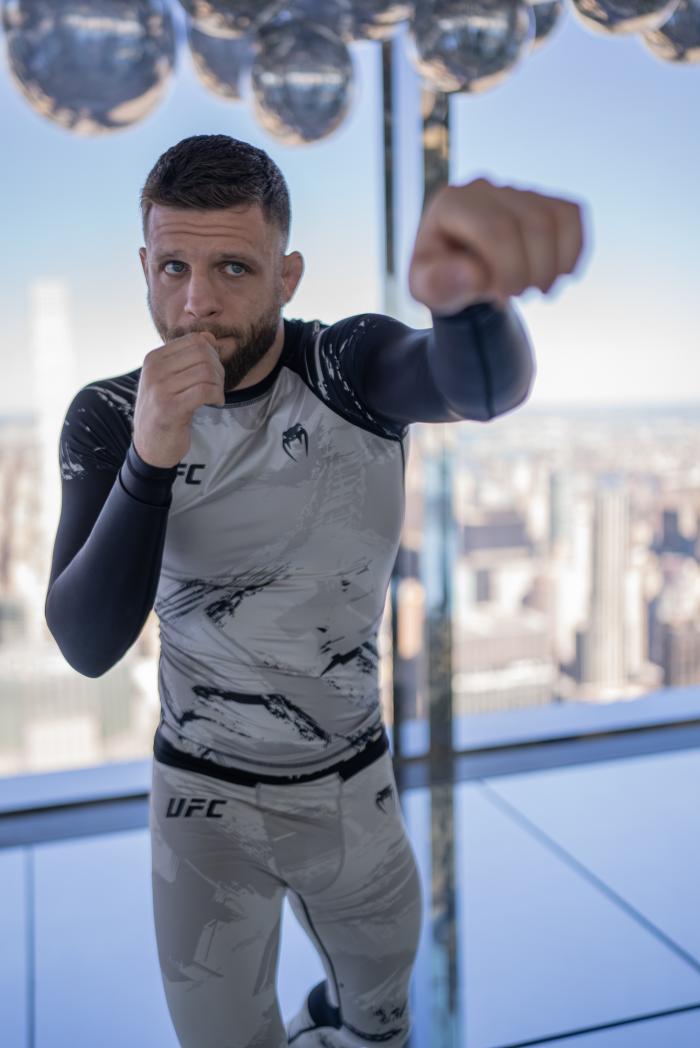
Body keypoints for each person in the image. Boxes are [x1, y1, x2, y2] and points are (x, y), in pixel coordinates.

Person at [45, 133, 581, 1047]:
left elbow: (475, 386)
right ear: (143, 264)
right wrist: (150, 457)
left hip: (350, 784)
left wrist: (467, 304)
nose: (195, 300)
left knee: (380, 1014)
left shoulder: (344, 367)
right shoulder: (109, 412)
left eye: (232, 268)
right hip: (200, 802)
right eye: (172, 265)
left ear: (288, 276)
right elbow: (88, 644)